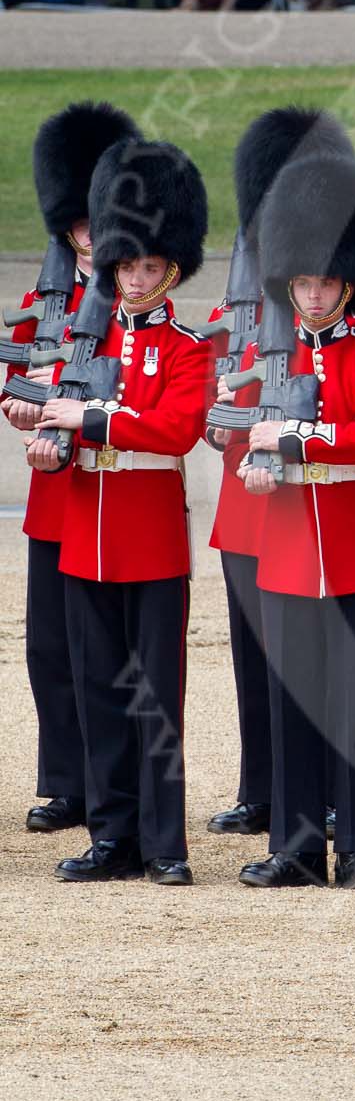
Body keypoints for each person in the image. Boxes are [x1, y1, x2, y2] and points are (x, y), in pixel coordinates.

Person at [29, 137, 211, 885]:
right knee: (98, 690)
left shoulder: (188, 348)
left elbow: (176, 429)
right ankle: (112, 836)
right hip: (85, 536)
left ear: (171, 271)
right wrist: (49, 441)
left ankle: (165, 843)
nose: (135, 279)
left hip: (150, 537)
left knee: (154, 699)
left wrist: (90, 418)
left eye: (148, 267)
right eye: (126, 266)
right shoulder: (82, 342)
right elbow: (55, 427)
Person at [227, 149, 355, 891]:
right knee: (290, 699)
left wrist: (295, 438)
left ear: (347, 284)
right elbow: (231, 430)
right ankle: (295, 846)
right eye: (302, 282)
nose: (313, 294)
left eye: (325, 282)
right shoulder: (264, 354)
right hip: (289, 547)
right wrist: (249, 451)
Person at [204, 108, 355, 838]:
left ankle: (323, 788)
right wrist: (214, 413)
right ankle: (260, 786)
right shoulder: (235, 308)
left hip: (307, 507)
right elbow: (204, 394)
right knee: (252, 654)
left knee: (316, 658)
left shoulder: (326, 310)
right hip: (245, 503)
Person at [1, 101, 140, 834]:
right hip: (54, 494)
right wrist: (20, 406)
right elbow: (15, 379)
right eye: (77, 219)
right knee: (51, 648)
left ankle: (116, 786)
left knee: (108, 652)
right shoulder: (41, 300)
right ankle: (66, 783)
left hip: (115, 491)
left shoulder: (137, 297)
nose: (87, 230)